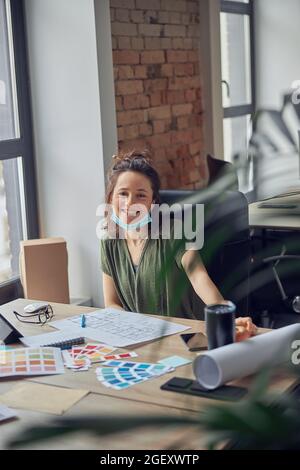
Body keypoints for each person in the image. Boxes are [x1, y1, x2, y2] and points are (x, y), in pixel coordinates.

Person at [100, 149, 256, 341]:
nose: (130, 203)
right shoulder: (109, 240)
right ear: (110, 197)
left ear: (153, 202)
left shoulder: (174, 231)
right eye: (122, 194)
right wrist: (134, 327)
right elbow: (111, 302)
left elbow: (198, 276)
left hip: (186, 338)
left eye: (141, 195)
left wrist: (224, 316)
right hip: (140, 340)